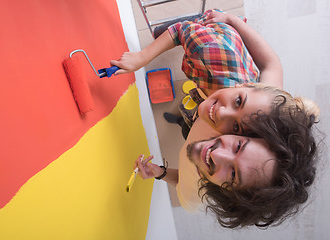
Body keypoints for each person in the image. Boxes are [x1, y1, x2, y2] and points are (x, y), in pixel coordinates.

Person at [111, 10, 319, 137]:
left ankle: (186, 118)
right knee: (162, 33)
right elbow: (179, 30)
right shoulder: (210, 52)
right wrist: (142, 57)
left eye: (236, 128)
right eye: (238, 102)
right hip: (211, 32)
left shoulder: (266, 108)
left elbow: (272, 65)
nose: (222, 113)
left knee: (195, 117)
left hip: (208, 82)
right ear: (246, 86)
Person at [135, 102, 318, 228]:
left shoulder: (194, 197)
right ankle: (179, 121)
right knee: (185, 126)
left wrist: (160, 173)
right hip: (192, 128)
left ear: (226, 192)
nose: (215, 153)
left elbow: (182, 182)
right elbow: (271, 65)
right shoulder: (223, 122)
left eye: (232, 174)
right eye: (238, 146)